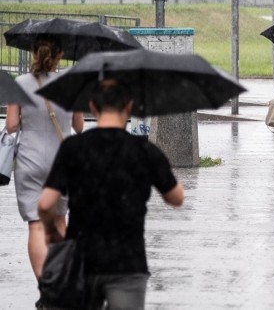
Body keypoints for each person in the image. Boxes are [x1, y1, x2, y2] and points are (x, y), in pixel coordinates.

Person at [38, 79, 184, 309]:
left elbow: (46, 204)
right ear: (129, 107)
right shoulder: (144, 150)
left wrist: (49, 232)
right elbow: (176, 198)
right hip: (128, 263)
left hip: (81, 262)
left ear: (93, 107)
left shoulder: (73, 147)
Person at [5, 35, 84, 308]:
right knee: (59, 222)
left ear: (34, 52)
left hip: (29, 160)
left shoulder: (20, 84)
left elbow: (12, 126)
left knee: (36, 225)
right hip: (61, 161)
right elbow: (79, 127)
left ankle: (45, 288)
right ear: (60, 54)